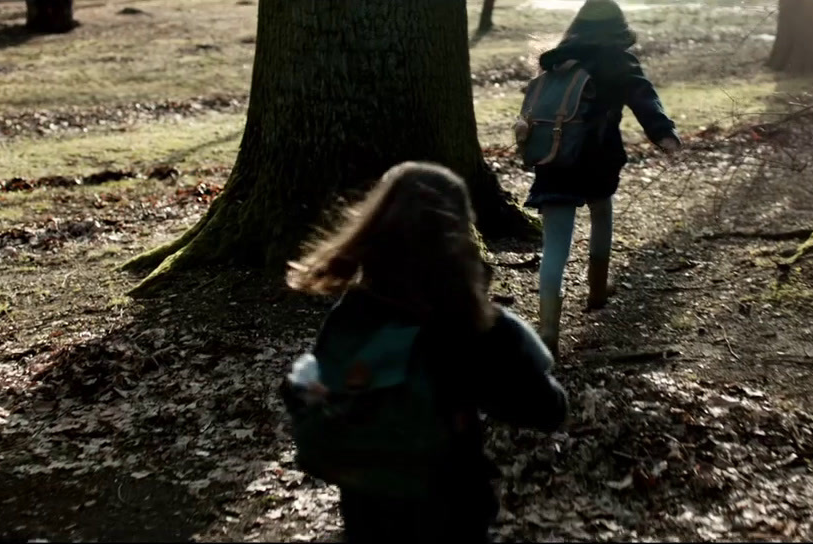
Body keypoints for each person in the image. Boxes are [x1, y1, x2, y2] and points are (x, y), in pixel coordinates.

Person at [283, 161, 569, 542]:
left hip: (367, 509)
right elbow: (548, 410)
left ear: (375, 224)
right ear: (460, 235)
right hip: (452, 512)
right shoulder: (477, 327)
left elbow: (317, 390)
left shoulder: (353, 312)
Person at [525, 0, 681, 358]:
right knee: (601, 213)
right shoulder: (618, 61)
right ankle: (597, 291)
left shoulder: (554, 61)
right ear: (618, 28)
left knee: (555, 245)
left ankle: (548, 327)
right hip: (596, 159)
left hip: (553, 159)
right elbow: (645, 98)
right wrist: (664, 134)